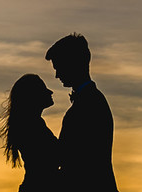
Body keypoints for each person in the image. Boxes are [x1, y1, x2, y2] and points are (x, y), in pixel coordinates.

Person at [46, 33, 118, 192]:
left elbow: (74, 161)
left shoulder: (89, 105)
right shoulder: (92, 101)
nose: (57, 75)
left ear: (72, 63)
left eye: (59, 67)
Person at [0, 73, 60, 192]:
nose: (50, 92)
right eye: (43, 89)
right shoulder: (32, 126)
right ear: (33, 96)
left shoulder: (31, 124)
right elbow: (54, 158)